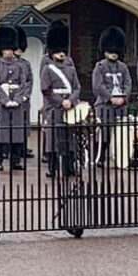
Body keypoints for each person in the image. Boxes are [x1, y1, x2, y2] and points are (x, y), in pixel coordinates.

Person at [41, 20, 82, 177]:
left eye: (63, 50)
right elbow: (46, 89)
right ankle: (52, 168)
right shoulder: (47, 67)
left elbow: (77, 87)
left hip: (69, 105)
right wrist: (60, 101)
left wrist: (71, 101)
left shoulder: (70, 68)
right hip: (54, 107)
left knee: (68, 138)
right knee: (53, 139)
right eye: (58, 50)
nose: (61, 53)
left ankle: (68, 166)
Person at [92, 26, 132, 167]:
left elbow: (128, 83)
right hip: (105, 105)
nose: (114, 53)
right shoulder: (100, 67)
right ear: (105, 50)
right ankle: (100, 157)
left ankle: (120, 157)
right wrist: (110, 98)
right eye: (111, 51)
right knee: (104, 133)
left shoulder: (123, 67)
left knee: (121, 133)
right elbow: (98, 86)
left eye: (116, 51)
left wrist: (123, 98)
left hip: (121, 104)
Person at [0, 26, 29, 171]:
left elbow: (23, 83)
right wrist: (5, 100)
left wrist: (18, 99)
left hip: (17, 103)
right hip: (2, 104)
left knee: (17, 133)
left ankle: (15, 160)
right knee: (2, 133)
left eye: (10, 49)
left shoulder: (19, 65)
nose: (8, 52)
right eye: (6, 49)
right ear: (1, 50)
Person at [14, 25, 36, 159]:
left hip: (24, 99)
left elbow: (29, 81)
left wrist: (26, 95)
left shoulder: (25, 63)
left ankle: (22, 147)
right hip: (12, 98)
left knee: (23, 124)